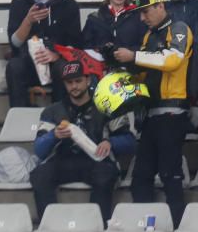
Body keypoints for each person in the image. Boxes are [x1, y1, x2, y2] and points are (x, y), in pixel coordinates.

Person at [112, 0, 194, 225]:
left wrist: (134, 56)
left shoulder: (179, 28)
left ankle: (178, 227)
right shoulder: (149, 36)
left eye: (145, 11)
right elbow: (148, 71)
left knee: (170, 175)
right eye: (139, 13)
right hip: (150, 114)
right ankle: (146, 227)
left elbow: (171, 61)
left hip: (172, 112)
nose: (142, 18)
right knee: (141, 177)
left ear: (160, 6)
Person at [29, 61, 135, 222]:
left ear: (88, 80)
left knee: (106, 174)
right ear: (64, 84)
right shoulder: (52, 111)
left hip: (97, 161)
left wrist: (110, 143)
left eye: (78, 81)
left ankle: (98, 224)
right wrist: (54, 136)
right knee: (39, 175)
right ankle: (50, 224)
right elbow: (39, 150)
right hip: (64, 160)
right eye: (69, 82)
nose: (74, 86)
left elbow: (130, 142)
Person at [6, 0, 82, 107]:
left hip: (57, 62)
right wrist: (28, 21)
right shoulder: (18, 4)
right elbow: (14, 43)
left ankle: (61, 118)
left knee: (63, 67)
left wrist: (56, 54)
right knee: (14, 67)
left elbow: (76, 45)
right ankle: (20, 117)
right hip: (28, 63)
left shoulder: (69, 6)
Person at [81, 0, 146, 53]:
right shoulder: (94, 19)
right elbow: (85, 48)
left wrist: (132, 54)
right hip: (102, 65)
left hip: (131, 65)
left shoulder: (139, 15)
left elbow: (146, 46)